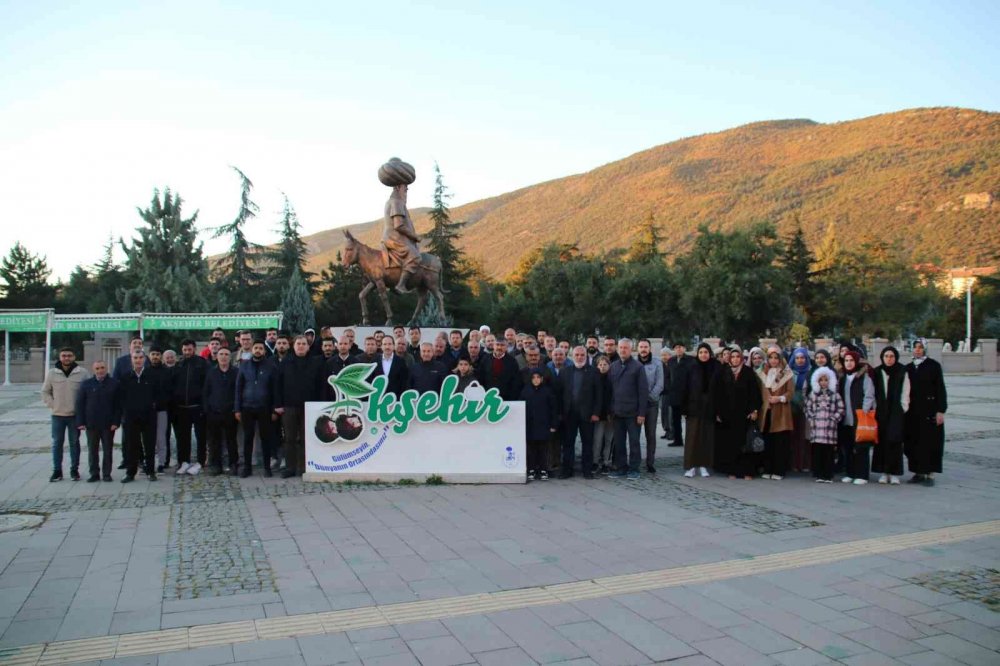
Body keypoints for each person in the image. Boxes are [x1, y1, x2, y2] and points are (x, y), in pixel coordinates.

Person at [275, 336, 322, 478]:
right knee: (289, 438)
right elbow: (277, 385)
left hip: (309, 407)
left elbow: (320, 386)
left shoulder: (315, 362)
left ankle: (303, 467)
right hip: (289, 406)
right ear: (293, 346)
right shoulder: (285, 362)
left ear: (308, 347)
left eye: (304, 344)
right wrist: (278, 405)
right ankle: (290, 467)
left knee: (305, 438)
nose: (301, 346)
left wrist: (319, 406)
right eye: (298, 344)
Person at [712, 346, 761, 480]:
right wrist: (717, 412)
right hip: (728, 414)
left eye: (737, 357)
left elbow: (755, 393)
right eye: (732, 357)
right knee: (730, 444)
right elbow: (717, 394)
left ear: (741, 358)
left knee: (745, 444)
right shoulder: (724, 372)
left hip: (744, 414)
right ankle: (732, 471)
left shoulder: (748, 372)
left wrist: (754, 410)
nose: (735, 359)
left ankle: (747, 471)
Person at [42, 347, 88, 482]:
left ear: (74, 357)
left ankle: (74, 470)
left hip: (75, 416)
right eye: (64, 356)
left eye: (69, 355)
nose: (66, 358)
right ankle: (57, 471)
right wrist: (53, 404)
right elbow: (45, 392)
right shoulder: (52, 373)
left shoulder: (82, 373)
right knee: (57, 443)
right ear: (60, 357)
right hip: (58, 415)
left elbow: (88, 392)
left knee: (74, 443)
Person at [905, 339, 947, 486]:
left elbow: (940, 389)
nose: (917, 350)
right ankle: (918, 472)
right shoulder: (909, 368)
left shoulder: (933, 366)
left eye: (920, 347)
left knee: (930, 442)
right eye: (915, 347)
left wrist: (941, 410)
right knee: (913, 441)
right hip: (912, 412)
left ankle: (930, 474)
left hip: (929, 410)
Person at [235, 340, 278, 477]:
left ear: (264, 351)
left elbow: (275, 390)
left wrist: (274, 409)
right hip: (247, 407)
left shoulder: (271, 366)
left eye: (261, 348)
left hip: (264, 407)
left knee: (266, 438)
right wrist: (237, 409)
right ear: (252, 350)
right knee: (248, 438)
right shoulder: (244, 366)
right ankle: (247, 467)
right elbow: (238, 388)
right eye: (256, 348)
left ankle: (266, 467)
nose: (258, 350)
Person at [558, 346, 602, 479]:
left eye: (582, 355)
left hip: (587, 414)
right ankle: (567, 470)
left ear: (586, 356)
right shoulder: (565, 371)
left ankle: (587, 470)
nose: (579, 357)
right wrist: (560, 412)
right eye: (576, 355)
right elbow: (559, 394)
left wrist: (596, 413)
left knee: (588, 443)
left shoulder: (594, 372)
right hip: (569, 413)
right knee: (568, 443)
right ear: (572, 356)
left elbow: (599, 395)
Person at [608, 338, 648, 480]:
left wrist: (642, 413)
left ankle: (634, 468)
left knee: (634, 442)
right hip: (617, 412)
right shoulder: (613, 366)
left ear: (631, 350)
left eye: (625, 348)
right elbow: (610, 390)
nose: (623, 350)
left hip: (633, 413)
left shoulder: (638, 367)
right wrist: (610, 410)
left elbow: (643, 392)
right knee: (619, 443)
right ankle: (621, 467)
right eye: (621, 347)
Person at [75, 360, 120, 482]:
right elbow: (80, 404)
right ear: (93, 370)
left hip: (108, 424)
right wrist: (80, 422)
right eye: (97, 368)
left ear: (106, 368)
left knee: (107, 450)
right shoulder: (86, 384)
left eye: (102, 368)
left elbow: (118, 405)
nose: (100, 370)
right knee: (92, 450)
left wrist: (116, 422)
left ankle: (106, 474)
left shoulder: (114, 383)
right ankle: (94, 473)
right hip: (91, 423)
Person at [872, 346, 910, 485]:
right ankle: (884, 472)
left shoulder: (901, 371)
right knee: (882, 441)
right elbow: (874, 391)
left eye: (891, 356)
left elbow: (906, 390)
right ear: (882, 357)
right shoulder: (877, 371)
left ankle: (894, 473)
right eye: (886, 356)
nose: (889, 359)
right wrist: (875, 408)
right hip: (881, 411)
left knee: (895, 441)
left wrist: (903, 407)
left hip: (896, 411)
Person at [119, 350, 158, 482]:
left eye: (141, 357)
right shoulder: (125, 377)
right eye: (135, 358)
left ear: (145, 359)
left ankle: (151, 471)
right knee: (132, 445)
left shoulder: (152, 375)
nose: (138, 360)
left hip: (149, 416)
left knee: (150, 445)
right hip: (131, 417)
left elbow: (159, 393)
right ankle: (131, 472)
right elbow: (121, 397)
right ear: (131, 359)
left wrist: (153, 406)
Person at [171, 339, 209, 475]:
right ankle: (184, 461)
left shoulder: (202, 363)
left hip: (197, 406)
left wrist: (204, 405)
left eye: (189, 349)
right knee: (183, 437)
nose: (187, 352)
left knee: (201, 437)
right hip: (181, 408)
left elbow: (207, 385)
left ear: (194, 349)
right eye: (185, 350)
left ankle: (200, 462)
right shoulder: (179, 364)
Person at [838, 350, 876, 485]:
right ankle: (850, 472)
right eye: (846, 360)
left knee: (861, 447)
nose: (849, 363)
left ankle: (862, 474)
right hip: (846, 418)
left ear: (856, 362)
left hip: (860, 417)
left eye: (851, 360)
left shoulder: (863, 377)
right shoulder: (842, 378)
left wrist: (864, 411)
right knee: (847, 447)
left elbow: (869, 395)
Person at [682, 342, 718, 478]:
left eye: (706, 352)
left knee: (706, 437)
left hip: (709, 407)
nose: (704, 355)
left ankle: (703, 465)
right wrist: (684, 408)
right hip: (693, 407)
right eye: (701, 352)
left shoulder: (715, 367)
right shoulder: (691, 367)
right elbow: (685, 388)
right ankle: (690, 466)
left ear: (710, 354)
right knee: (692, 437)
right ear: (697, 354)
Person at [759, 345, 794, 480]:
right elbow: (763, 390)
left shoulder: (786, 373)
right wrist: (768, 399)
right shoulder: (763, 371)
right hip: (767, 411)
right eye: (771, 358)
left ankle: (779, 470)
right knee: (768, 442)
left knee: (780, 443)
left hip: (781, 411)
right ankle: (768, 468)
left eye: (776, 358)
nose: (773, 360)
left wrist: (779, 398)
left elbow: (790, 392)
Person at [203, 347, 239, 476]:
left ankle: (233, 464)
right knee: (214, 441)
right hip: (214, 412)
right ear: (217, 357)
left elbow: (239, 392)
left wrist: (237, 408)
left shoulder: (236, 372)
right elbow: (206, 392)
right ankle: (216, 465)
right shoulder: (211, 372)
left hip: (230, 412)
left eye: (226, 354)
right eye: (221, 354)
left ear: (230, 357)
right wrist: (207, 409)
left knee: (231, 441)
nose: (223, 357)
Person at [806, 367, 845, 483]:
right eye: (821, 380)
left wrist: (834, 419)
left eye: (826, 380)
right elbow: (807, 408)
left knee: (829, 453)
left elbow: (841, 409)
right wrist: (811, 418)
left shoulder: (835, 395)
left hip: (829, 429)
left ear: (831, 381)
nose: (823, 382)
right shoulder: (813, 394)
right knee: (818, 452)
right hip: (817, 428)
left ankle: (828, 475)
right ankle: (819, 474)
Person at [522, 370, 558, 481]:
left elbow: (554, 409)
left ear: (542, 379)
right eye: (534, 377)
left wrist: (553, 425)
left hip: (544, 425)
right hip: (530, 426)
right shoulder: (525, 391)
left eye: (538, 377)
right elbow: (521, 408)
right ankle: (531, 470)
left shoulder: (548, 391)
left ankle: (543, 470)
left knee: (544, 449)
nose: (536, 379)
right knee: (531, 449)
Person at [636, 339, 663, 473]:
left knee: (650, 435)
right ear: (637, 348)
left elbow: (660, 384)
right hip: (635, 405)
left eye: (646, 347)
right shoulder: (633, 363)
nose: (643, 349)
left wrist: (648, 397)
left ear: (650, 348)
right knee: (634, 434)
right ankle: (634, 462)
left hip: (651, 404)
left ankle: (650, 462)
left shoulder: (657, 363)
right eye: (641, 347)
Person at [145, 345, 172, 474]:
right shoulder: (145, 371)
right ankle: (148, 462)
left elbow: (169, 391)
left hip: (162, 409)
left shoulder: (167, 371)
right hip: (147, 410)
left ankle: (161, 463)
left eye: (157, 354)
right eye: (153, 354)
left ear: (161, 356)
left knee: (161, 438)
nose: (155, 357)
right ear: (149, 356)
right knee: (148, 438)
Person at [789, 347, 813, 473]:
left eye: (802, 358)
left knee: (804, 436)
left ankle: (804, 463)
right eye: (797, 358)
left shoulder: (810, 372)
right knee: (792, 436)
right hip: (791, 407)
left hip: (806, 407)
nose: (800, 360)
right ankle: (793, 463)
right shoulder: (789, 372)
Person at [666, 342, 692, 447]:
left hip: (687, 395)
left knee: (689, 419)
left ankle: (690, 441)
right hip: (674, 394)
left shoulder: (691, 360)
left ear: (684, 348)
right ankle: (678, 440)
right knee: (675, 419)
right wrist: (669, 387)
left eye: (681, 347)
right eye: (676, 347)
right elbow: (667, 376)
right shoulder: (671, 361)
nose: (679, 349)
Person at [593, 356, 615, 473]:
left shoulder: (613, 379)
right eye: (600, 365)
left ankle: (606, 461)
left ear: (609, 366)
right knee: (597, 439)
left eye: (605, 365)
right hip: (599, 415)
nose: (602, 367)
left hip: (610, 415)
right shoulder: (594, 378)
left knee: (608, 439)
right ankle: (595, 461)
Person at [659, 348, 672, 439]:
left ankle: (672, 432)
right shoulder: (659, 366)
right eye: (662, 355)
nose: (664, 357)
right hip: (662, 393)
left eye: (666, 354)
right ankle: (666, 430)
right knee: (663, 413)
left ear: (670, 355)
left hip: (671, 393)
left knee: (670, 414)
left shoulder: (673, 365)